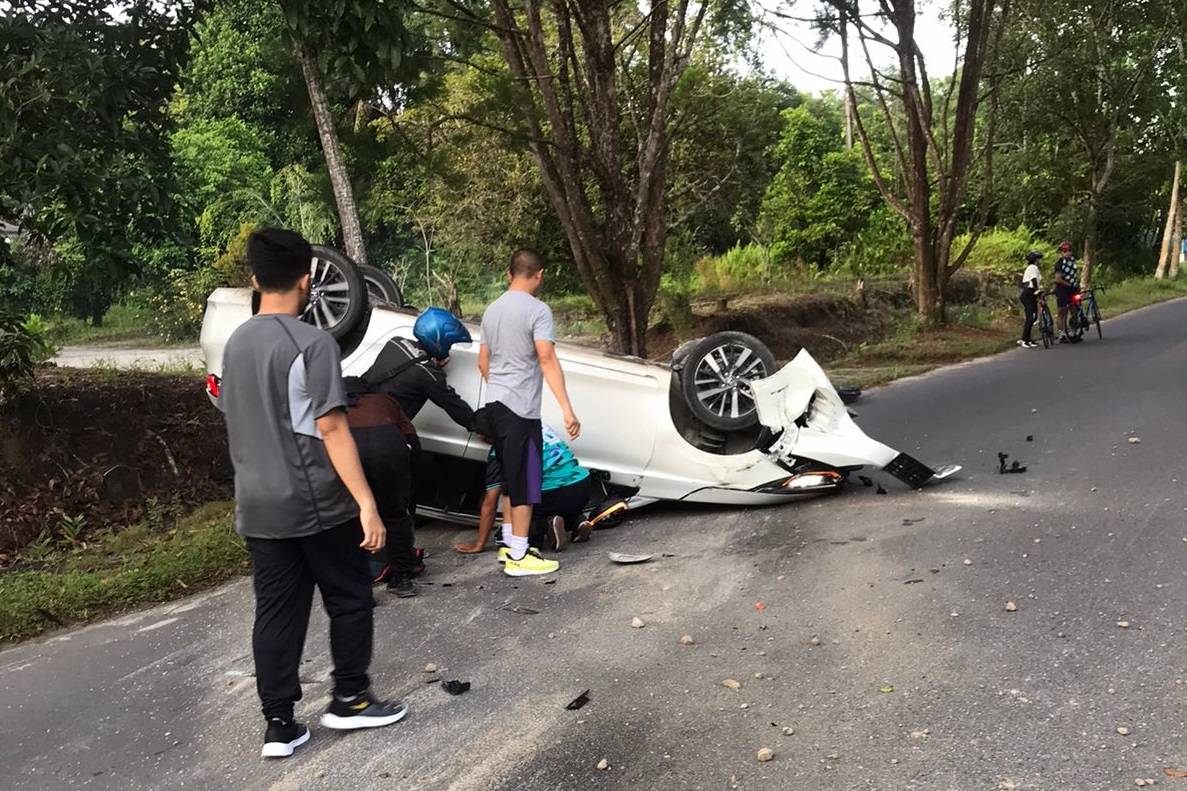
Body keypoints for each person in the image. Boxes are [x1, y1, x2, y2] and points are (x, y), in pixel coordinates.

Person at [219, 228, 405, 760]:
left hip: (257, 505)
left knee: (276, 612)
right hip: (315, 501)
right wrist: (367, 503)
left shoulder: (237, 343)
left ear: (254, 280)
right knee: (349, 596)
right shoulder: (313, 343)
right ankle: (349, 698)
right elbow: (332, 429)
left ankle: (279, 724)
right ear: (307, 281)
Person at [478, 247, 580, 577]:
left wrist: (501, 386)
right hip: (520, 409)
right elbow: (546, 358)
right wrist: (567, 409)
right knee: (525, 480)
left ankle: (510, 545)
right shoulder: (537, 310)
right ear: (540, 275)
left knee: (511, 479)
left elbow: (483, 362)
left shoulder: (491, 311)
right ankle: (520, 555)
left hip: (495, 404)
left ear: (510, 274)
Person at [359, 307, 475, 583]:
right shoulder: (429, 375)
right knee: (401, 498)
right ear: (440, 342)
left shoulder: (395, 343)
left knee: (364, 499)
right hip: (385, 434)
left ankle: (364, 560)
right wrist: (489, 426)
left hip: (353, 422)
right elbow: (459, 411)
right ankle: (399, 565)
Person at [455, 408, 593, 555]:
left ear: (485, 436)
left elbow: (490, 503)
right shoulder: (535, 425)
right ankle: (577, 521)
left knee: (515, 528)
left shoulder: (502, 449)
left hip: (555, 492)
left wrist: (479, 544)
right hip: (584, 484)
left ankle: (544, 526)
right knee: (544, 492)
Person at [344, 376, 420, 598]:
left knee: (351, 517)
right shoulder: (385, 400)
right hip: (389, 445)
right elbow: (412, 439)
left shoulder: (334, 404)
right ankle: (403, 578)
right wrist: (410, 486)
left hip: (350, 447)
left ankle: (361, 587)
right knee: (395, 514)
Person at [1053, 241, 1080, 343]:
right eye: (1065, 251)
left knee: (1074, 309)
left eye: (1069, 250)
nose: (1067, 252)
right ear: (1061, 252)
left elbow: (1074, 275)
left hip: (1073, 289)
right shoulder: (1059, 264)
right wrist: (1069, 284)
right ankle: (1061, 334)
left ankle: (1075, 331)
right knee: (1062, 311)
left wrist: (1076, 285)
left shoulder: (1073, 262)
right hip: (1062, 289)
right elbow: (1057, 279)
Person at [1018, 251, 1043, 348]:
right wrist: (1037, 290)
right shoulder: (1033, 267)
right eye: (1039, 259)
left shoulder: (1033, 268)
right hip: (1028, 293)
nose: (1040, 261)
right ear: (1035, 260)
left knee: (1034, 316)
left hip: (1031, 293)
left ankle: (1029, 339)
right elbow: (1033, 280)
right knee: (1030, 317)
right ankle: (1024, 339)